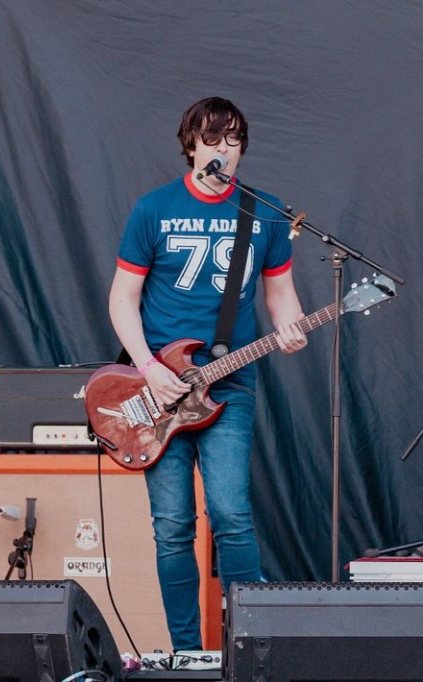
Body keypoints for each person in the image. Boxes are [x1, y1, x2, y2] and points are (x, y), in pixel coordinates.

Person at [108, 96, 308, 651]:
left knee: (230, 514)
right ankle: (187, 653)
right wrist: (149, 367)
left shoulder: (263, 211)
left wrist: (291, 328)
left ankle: (251, 645)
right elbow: (122, 299)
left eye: (233, 139)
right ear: (190, 144)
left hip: (230, 382)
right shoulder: (153, 209)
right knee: (172, 525)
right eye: (212, 138)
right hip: (158, 387)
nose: (224, 149)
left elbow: (280, 295)